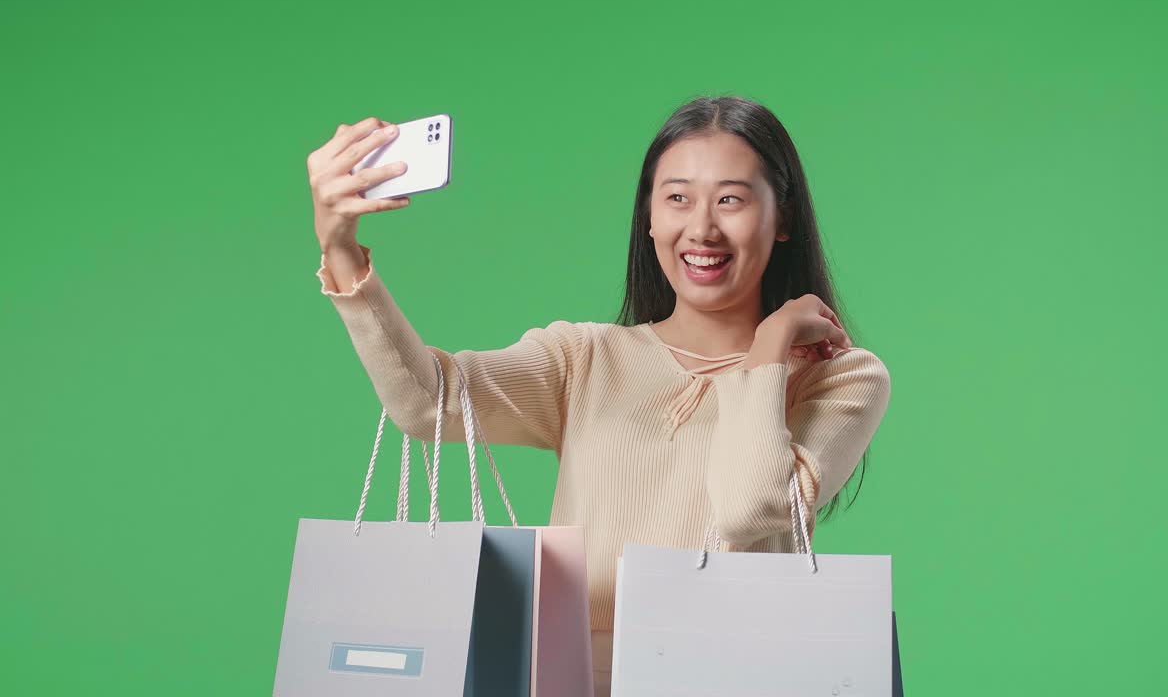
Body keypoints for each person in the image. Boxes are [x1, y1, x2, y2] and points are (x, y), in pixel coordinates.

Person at [308, 95, 892, 695]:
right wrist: (342, 252)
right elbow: (428, 404)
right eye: (677, 198)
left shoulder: (838, 379)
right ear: (648, 216)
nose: (702, 228)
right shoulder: (584, 358)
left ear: (783, 217)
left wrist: (768, 347)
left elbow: (747, 508)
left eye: (731, 199)